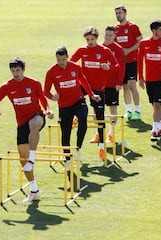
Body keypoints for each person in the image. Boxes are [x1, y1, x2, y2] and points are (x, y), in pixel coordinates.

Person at [0, 57, 54, 203]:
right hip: (21, 124)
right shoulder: (7, 86)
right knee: (23, 162)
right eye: (13, 71)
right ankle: (34, 190)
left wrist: (48, 111)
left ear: (23, 70)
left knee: (34, 123)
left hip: (37, 117)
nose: (15, 73)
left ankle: (32, 158)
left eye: (18, 70)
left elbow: (43, 100)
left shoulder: (34, 83)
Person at [44, 46, 101, 168]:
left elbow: (83, 80)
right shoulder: (51, 72)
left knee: (83, 118)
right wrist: (52, 97)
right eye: (59, 60)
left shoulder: (75, 67)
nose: (61, 62)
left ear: (67, 57)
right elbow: (46, 91)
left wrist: (92, 95)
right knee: (66, 132)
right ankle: (67, 158)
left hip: (78, 100)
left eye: (63, 59)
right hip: (64, 105)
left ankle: (78, 148)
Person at [70, 26, 120, 160]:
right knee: (72, 99)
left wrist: (108, 66)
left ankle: (102, 146)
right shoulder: (82, 50)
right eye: (87, 39)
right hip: (84, 85)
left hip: (98, 88)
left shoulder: (104, 51)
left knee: (100, 117)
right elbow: (70, 63)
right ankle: (75, 117)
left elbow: (116, 65)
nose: (90, 41)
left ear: (96, 38)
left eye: (92, 39)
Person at [137, 20, 161, 141]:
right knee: (155, 106)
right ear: (154, 31)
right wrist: (141, 78)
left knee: (157, 105)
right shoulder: (144, 43)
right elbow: (139, 60)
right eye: (160, 29)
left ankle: (154, 131)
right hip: (149, 80)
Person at [115, 5, 143, 120]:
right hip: (121, 63)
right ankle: (128, 110)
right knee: (125, 87)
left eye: (120, 13)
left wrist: (129, 50)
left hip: (132, 61)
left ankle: (137, 110)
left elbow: (141, 41)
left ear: (125, 13)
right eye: (116, 13)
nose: (118, 15)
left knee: (132, 85)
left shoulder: (133, 27)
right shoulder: (114, 29)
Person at [103, 25, 125, 143]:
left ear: (115, 36)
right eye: (106, 34)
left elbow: (121, 67)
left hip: (112, 84)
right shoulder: (99, 47)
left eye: (110, 35)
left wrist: (119, 83)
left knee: (113, 109)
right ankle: (98, 134)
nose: (107, 37)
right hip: (100, 84)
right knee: (98, 110)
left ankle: (111, 134)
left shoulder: (118, 49)